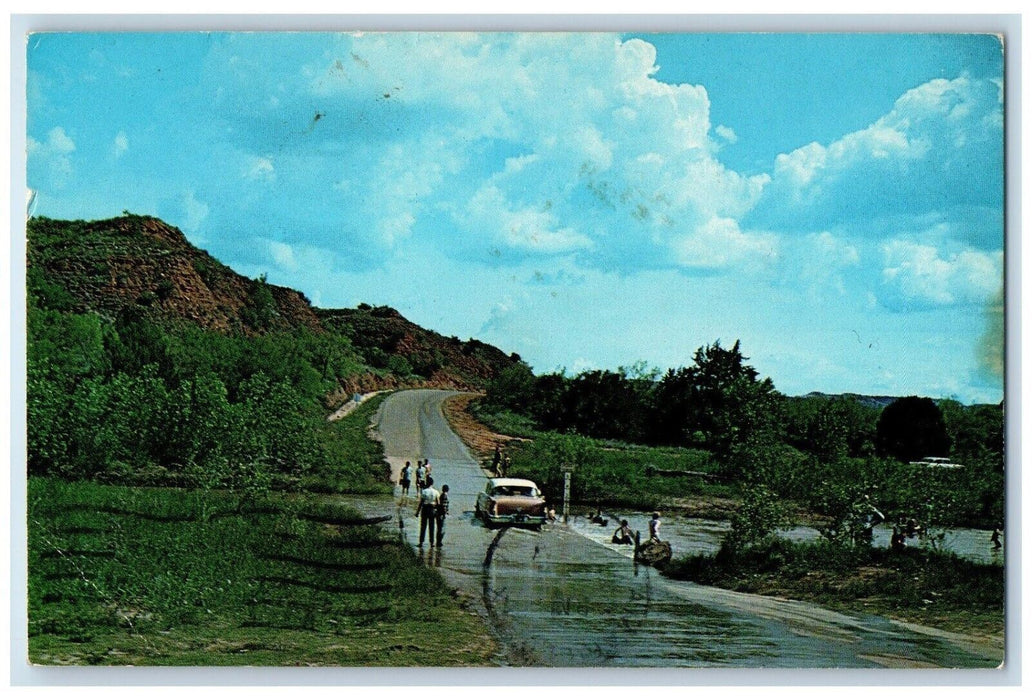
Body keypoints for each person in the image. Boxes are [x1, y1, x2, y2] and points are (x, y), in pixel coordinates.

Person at [416, 476, 440, 547]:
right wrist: (438, 512)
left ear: (427, 483)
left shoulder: (424, 491)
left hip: (425, 509)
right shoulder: (436, 492)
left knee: (423, 526)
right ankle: (432, 542)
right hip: (432, 509)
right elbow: (438, 503)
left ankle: (421, 542)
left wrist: (417, 512)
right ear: (432, 483)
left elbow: (421, 503)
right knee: (432, 526)